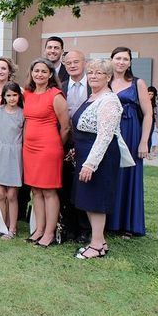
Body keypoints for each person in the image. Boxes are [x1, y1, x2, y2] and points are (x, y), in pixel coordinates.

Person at [72, 59, 134, 259]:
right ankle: (101, 242)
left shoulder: (109, 100)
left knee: (96, 200)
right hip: (84, 151)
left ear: (108, 77)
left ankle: (97, 245)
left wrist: (91, 163)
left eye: (99, 73)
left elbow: (105, 135)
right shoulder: (92, 96)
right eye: (91, 73)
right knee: (88, 199)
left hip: (101, 155)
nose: (93, 76)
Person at [22, 58, 70, 247]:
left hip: (49, 148)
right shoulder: (27, 94)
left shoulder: (56, 95)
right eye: (36, 71)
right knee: (35, 190)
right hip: (29, 149)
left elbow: (65, 127)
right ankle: (39, 229)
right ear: (31, 73)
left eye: (43, 71)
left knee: (49, 190)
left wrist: (56, 146)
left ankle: (49, 233)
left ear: (50, 74)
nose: (39, 74)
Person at [107, 46, 152, 237]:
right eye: (118, 58)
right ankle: (109, 221)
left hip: (131, 132)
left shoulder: (137, 83)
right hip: (109, 133)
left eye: (125, 59)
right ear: (111, 60)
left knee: (129, 176)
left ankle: (128, 224)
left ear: (130, 63)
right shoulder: (105, 81)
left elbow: (149, 113)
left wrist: (144, 142)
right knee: (110, 175)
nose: (121, 62)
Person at [60, 50, 92, 243]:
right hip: (65, 142)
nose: (72, 65)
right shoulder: (61, 87)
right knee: (65, 186)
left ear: (84, 63)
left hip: (87, 144)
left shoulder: (94, 86)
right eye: (68, 63)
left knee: (84, 187)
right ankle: (68, 226)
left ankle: (84, 228)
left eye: (76, 62)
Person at [0, 82, 24, 239]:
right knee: (1, 193)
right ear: (3, 97)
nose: (11, 98)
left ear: (19, 96)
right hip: (1, 152)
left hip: (16, 154)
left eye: (14, 95)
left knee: (12, 195)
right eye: (8, 95)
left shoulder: (23, 113)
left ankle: (12, 228)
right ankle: (1, 225)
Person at [149, 86, 158, 156]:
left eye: (152, 94)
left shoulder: (155, 104)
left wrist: (157, 122)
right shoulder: (143, 101)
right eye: (149, 94)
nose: (151, 96)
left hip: (153, 121)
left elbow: (155, 114)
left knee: (154, 134)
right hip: (145, 121)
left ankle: (154, 150)